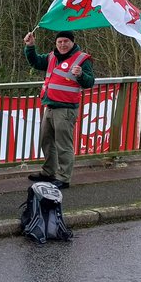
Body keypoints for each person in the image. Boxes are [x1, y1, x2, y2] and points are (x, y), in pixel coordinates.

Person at [23, 29, 94, 189]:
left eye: (66, 41)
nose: (62, 44)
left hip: (66, 109)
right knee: (46, 141)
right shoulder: (52, 57)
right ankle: (48, 172)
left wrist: (81, 74)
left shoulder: (82, 59)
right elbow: (35, 62)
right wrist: (30, 47)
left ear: (72, 42)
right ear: (56, 43)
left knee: (63, 145)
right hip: (50, 106)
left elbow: (89, 83)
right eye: (60, 42)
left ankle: (63, 178)